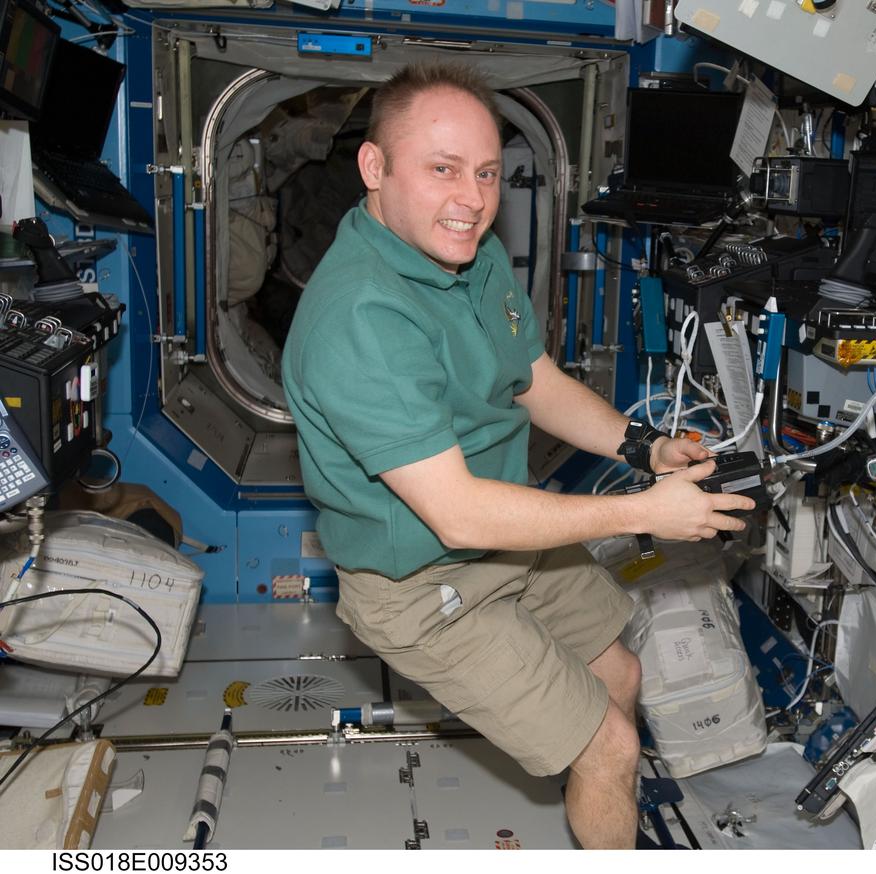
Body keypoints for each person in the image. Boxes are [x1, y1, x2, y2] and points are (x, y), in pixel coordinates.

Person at [281, 62, 755, 850]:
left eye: (487, 173)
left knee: (622, 678)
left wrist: (647, 448)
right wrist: (646, 512)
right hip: (424, 583)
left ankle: (599, 789)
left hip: (507, 541)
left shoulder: (467, 252)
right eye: (442, 170)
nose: (470, 199)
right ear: (374, 168)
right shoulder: (361, 317)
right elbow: (457, 512)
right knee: (611, 741)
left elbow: (534, 381)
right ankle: (600, 772)